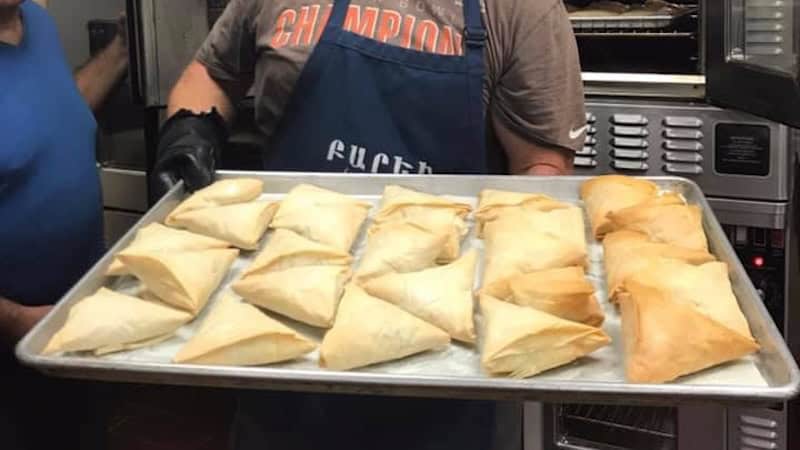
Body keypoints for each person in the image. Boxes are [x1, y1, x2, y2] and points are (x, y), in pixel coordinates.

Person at [153, 0, 585, 448]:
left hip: (439, 343)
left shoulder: (520, 9)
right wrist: (189, 129)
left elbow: (540, 173)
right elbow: (213, 72)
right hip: (281, 321)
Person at [0, 1, 128, 448]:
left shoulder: (34, 20)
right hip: (14, 337)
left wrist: (123, 49)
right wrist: (17, 319)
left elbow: (56, 112)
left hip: (69, 319)